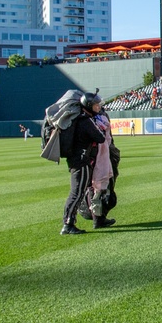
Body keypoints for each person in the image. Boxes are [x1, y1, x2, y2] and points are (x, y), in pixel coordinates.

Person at [61, 92, 107, 234]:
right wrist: (101, 127)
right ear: (88, 105)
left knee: (78, 192)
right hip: (81, 160)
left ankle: (69, 223)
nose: (98, 107)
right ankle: (68, 225)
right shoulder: (86, 121)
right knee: (76, 193)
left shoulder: (82, 119)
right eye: (96, 105)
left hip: (78, 160)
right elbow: (100, 138)